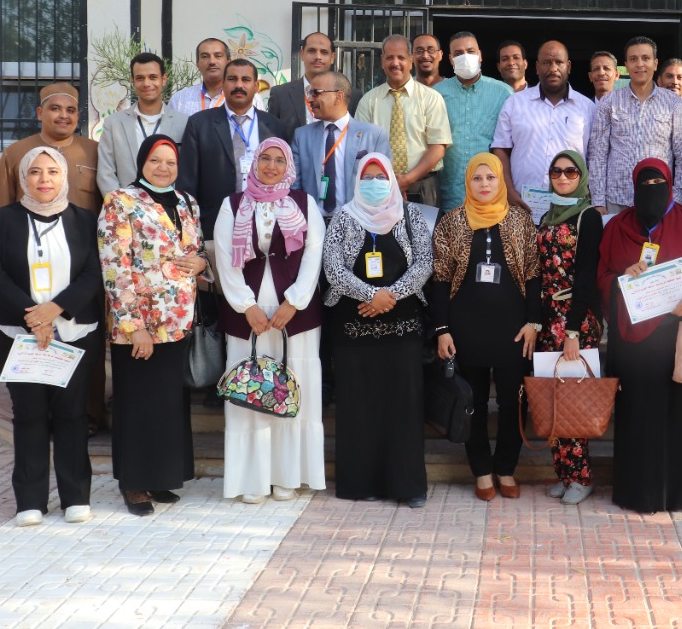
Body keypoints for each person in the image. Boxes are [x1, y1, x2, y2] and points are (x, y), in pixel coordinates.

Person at [0, 147, 103, 527]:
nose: (44, 179)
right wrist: (34, 316)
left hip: (73, 333)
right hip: (20, 334)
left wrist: (56, 309)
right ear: (23, 178)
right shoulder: (2, 220)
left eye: (52, 171)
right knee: (29, 415)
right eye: (35, 171)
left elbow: (94, 272)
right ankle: (30, 500)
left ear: (64, 176)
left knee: (72, 414)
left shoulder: (84, 221)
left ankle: (75, 497)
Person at [597, 158, 682, 514]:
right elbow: (601, 277)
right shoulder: (617, 227)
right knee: (638, 418)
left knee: (680, 417)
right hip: (633, 343)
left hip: (678, 339)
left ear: (669, 184)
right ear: (634, 187)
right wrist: (623, 278)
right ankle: (638, 494)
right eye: (645, 185)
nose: (652, 191)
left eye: (658, 184)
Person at [98, 135, 209, 516]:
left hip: (177, 322)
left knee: (167, 404)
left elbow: (194, 251)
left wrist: (202, 263)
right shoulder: (121, 201)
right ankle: (134, 483)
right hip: (139, 325)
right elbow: (115, 267)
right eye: (156, 160)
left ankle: (161, 477)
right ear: (142, 162)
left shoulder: (187, 202)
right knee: (137, 403)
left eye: (170, 162)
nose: (163, 168)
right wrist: (135, 327)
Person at [213, 138, 326, 504]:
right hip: (248, 314)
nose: (272, 166)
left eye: (280, 160)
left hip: (294, 313)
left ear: (288, 166)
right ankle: (253, 479)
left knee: (292, 387)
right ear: (254, 162)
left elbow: (314, 255)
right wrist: (246, 306)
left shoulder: (304, 203)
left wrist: (293, 302)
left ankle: (288, 476)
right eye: (265, 159)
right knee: (250, 389)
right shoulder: (232, 205)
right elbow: (225, 258)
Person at [324, 153, 433, 505]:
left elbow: (424, 262)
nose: (374, 184)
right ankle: (359, 484)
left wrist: (391, 296)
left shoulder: (411, 214)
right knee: (358, 406)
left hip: (402, 328)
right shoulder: (343, 217)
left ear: (391, 180)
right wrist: (372, 295)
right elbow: (333, 269)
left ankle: (407, 487)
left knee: (404, 407)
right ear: (357, 181)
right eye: (367, 178)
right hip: (353, 330)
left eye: (380, 177)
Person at [431, 152, 540, 501]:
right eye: (477, 178)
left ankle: (505, 468)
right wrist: (442, 329)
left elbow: (534, 275)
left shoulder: (520, 221)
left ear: (500, 181)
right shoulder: (452, 222)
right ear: (468, 182)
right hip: (467, 330)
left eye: (490, 177)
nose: (484, 184)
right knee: (473, 402)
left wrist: (533, 322)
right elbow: (440, 280)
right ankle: (481, 471)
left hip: (513, 330)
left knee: (512, 402)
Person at [535, 150, 604, 505]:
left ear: (582, 177)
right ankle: (563, 472)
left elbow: (587, 276)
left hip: (574, 319)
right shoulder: (546, 216)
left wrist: (573, 330)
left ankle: (582, 476)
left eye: (571, 172)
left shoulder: (588, 217)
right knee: (551, 397)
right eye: (556, 171)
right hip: (548, 318)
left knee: (574, 396)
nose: (562, 177)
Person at [178, 59, 287, 245]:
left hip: (265, 226)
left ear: (256, 86)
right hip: (213, 226)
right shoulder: (199, 124)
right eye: (232, 79)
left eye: (245, 80)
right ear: (223, 84)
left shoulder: (275, 126)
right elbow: (187, 182)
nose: (239, 85)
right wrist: (192, 228)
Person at [588, 37, 682, 212]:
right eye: (633, 59)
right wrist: (599, 201)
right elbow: (597, 154)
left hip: (659, 201)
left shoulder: (673, 103)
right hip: (616, 201)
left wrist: (677, 200)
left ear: (655, 63)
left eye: (645, 58)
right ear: (625, 65)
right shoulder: (609, 102)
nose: (639, 64)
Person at [491, 40, 595, 212]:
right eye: (547, 63)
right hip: (521, 203)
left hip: (570, 206)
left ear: (568, 67)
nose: (553, 68)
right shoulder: (515, 103)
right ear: (537, 67)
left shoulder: (587, 108)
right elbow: (501, 148)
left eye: (559, 62)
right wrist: (508, 190)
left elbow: (594, 156)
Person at [354, 34, 452, 206]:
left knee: (424, 225)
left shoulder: (431, 98)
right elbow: (360, 149)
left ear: (411, 60)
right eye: (389, 58)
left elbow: (438, 147)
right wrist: (388, 180)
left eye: (401, 57)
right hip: (379, 187)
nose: (395, 63)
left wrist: (407, 179)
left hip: (424, 185)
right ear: (382, 61)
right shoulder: (368, 101)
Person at [292, 70, 390, 219]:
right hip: (314, 223)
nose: (310, 99)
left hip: (358, 222)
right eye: (309, 93)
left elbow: (383, 188)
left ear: (338, 96)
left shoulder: (373, 136)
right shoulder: (302, 136)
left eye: (315, 93)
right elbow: (295, 188)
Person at [0, 82, 101, 215]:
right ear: (40, 113)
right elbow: (1, 208)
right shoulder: (15, 152)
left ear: (77, 115)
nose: (64, 115)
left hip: (84, 229)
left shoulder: (95, 151)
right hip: (28, 228)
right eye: (55, 109)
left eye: (70, 110)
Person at [435, 32, 513, 211]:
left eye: (470, 51)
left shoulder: (504, 93)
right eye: (458, 53)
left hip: (492, 199)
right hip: (450, 197)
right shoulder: (436, 94)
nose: (465, 57)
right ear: (450, 59)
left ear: (480, 55)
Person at [98, 53, 189, 197]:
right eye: (140, 78)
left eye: (153, 77)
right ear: (132, 80)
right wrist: (122, 204)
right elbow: (105, 172)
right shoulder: (114, 123)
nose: (146, 83)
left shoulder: (183, 123)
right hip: (127, 206)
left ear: (164, 80)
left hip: (171, 206)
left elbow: (188, 172)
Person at [266, 32, 336, 137]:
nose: (318, 56)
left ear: (332, 57)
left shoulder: (351, 96)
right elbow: (272, 138)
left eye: (324, 52)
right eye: (312, 51)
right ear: (302, 54)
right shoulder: (280, 94)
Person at [169, 38, 232, 116]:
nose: (212, 61)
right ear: (197, 64)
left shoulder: (240, 97)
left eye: (218, 56)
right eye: (205, 56)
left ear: (228, 63)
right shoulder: (179, 99)